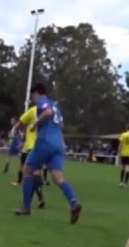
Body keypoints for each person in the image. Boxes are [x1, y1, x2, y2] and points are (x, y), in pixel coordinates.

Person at [15, 82, 81, 223]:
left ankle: (26, 207)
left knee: (27, 171)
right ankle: (74, 203)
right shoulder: (57, 107)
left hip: (45, 142)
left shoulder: (42, 101)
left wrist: (34, 125)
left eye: (32, 96)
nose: (33, 99)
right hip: (57, 145)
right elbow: (58, 127)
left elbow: (47, 112)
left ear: (36, 93)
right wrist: (62, 145)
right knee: (58, 178)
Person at [11, 104, 46, 208]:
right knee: (36, 172)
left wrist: (16, 135)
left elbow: (18, 126)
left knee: (29, 173)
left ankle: (28, 202)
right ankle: (39, 199)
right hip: (40, 146)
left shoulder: (32, 110)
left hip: (31, 147)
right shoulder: (47, 113)